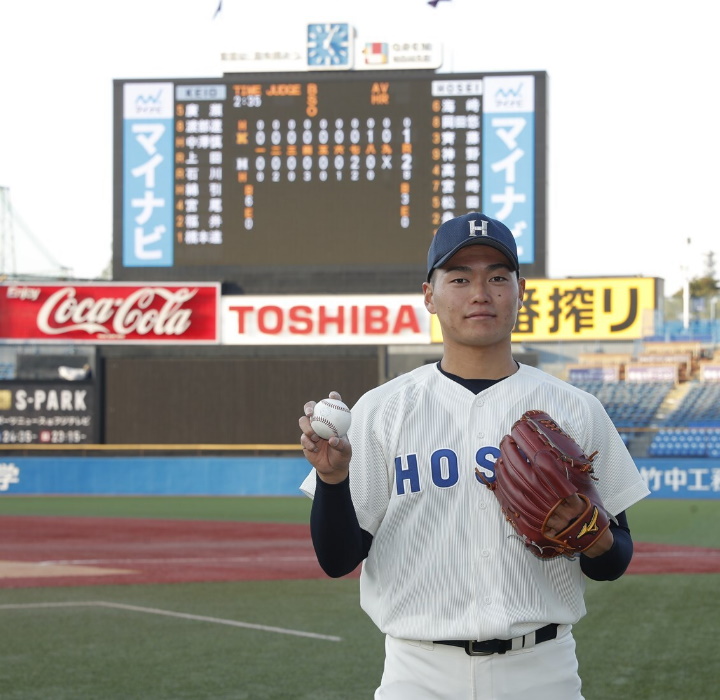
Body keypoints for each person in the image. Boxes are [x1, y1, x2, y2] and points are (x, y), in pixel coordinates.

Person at [298, 212, 650, 700]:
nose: (480, 293)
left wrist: (592, 537)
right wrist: (334, 482)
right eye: (460, 278)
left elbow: (614, 561)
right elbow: (336, 560)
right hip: (417, 673)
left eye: (498, 277)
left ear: (520, 291)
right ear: (429, 295)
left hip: (542, 671)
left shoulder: (575, 408)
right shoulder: (382, 409)